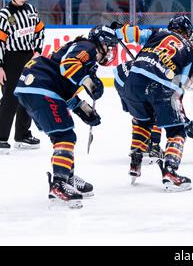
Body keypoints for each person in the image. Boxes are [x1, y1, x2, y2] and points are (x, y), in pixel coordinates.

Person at [14, 25, 118, 208]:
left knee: (61, 134)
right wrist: (89, 83)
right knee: (65, 135)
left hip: (35, 85)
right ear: (101, 43)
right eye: (109, 46)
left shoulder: (83, 50)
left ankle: (66, 177)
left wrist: (83, 109)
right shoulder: (89, 48)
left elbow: (63, 86)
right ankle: (59, 183)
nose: (110, 51)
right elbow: (67, 66)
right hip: (40, 85)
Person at [117, 15, 193, 192]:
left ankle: (135, 161)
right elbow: (183, 85)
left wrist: (117, 30)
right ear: (188, 33)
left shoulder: (157, 33)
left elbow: (131, 33)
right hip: (161, 88)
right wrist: (182, 119)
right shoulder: (192, 52)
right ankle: (170, 173)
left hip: (133, 82)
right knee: (176, 130)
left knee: (142, 120)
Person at [0, 0, 45, 154]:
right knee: (10, 99)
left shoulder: (32, 10)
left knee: (27, 95)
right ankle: (1, 137)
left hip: (29, 57)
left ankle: (22, 135)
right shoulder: (4, 14)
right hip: (10, 59)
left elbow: (39, 30)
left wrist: (38, 51)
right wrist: (0, 66)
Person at [113, 59, 164, 162]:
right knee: (156, 112)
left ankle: (139, 147)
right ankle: (154, 146)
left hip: (121, 79)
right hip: (135, 81)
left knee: (140, 115)